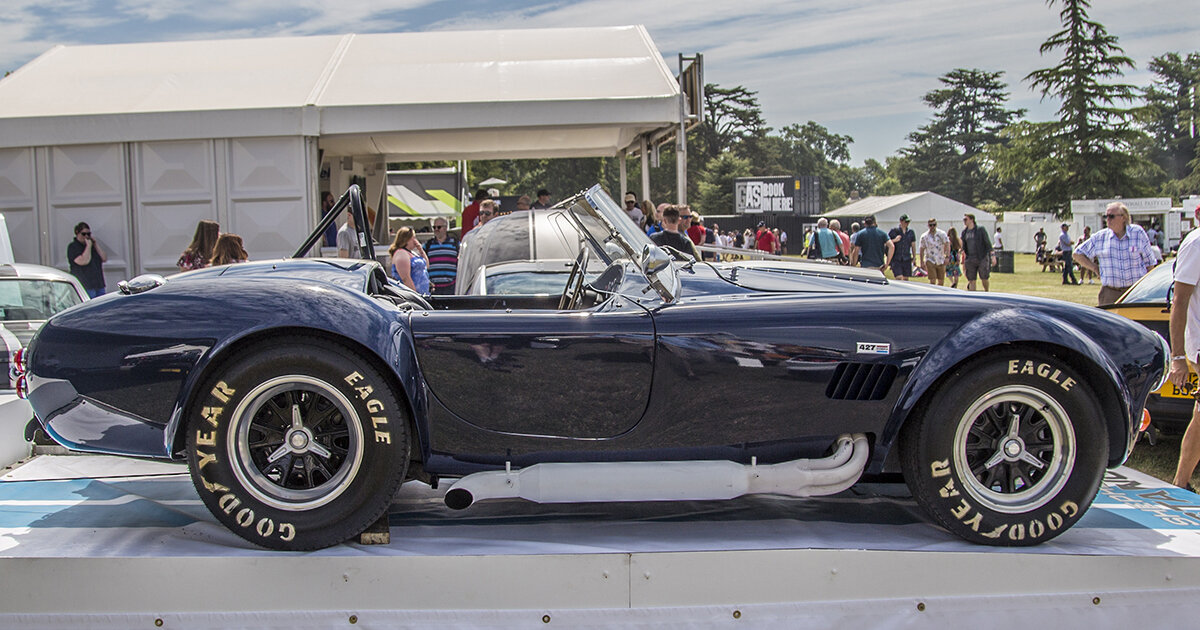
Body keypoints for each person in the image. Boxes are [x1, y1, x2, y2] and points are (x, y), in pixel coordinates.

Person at [1170, 200, 1200, 491]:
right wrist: (1178, 356)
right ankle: (1181, 483)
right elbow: (1179, 301)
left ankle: (1182, 482)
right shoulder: (1196, 243)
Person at [1073, 202, 1157, 306]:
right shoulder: (1100, 237)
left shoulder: (1138, 233)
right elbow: (1077, 254)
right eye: (1106, 216)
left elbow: (1150, 263)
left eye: (1111, 216)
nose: (1107, 219)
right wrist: (1095, 268)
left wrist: (1148, 288)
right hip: (1110, 293)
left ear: (1123, 217)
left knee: (1136, 322)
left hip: (1136, 293)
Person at [67, 222, 107, 298]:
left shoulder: (92, 246)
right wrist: (88, 247)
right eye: (83, 234)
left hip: (98, 284)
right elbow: (84, 261)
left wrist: (95, 245)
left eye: (88, 234)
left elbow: (104, 258)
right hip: (85, 285)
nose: (86, 236)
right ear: (77, 233)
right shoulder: (73, 247)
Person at [388, 226, 430, 294]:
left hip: (424, 293)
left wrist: (421, 250)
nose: (415, 240)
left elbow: (426, 266)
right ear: (406, 239)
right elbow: (405, 278)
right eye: (413, 238)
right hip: (410, 295)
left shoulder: (412, 253)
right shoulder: (401, 253)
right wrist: (416, 295)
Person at [424, 217, 459, 295]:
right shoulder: (428, 245)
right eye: (434, 227)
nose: (436, 229)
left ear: (445, 228)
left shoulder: (455, 244)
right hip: (433, 287)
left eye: (439, 227)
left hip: (451, 287)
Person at [960, 213, 992, 292]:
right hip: (970, 258)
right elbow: (963, 246)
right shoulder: (964, 232)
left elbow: (987, 243)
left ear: (972, 220)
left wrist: (992, 255)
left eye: (966, 219)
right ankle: (973, 297)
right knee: (971, 279)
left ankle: (986, 292)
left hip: (981, 257)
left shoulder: (980, 230)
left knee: (984, 277)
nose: (964, 221)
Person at [918, 218, 949, 285]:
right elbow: (922, 249)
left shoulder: (942, 234)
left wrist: (947, 256)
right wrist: (921, 262)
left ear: (936, 225)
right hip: (930, 259)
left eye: (934, 225)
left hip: (940, 259)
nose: (932, 227)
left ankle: (940, 294)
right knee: (932, 280)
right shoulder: (924, 236)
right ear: (928, 225)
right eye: (930, 225)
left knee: (941, 281)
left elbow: (947, 243)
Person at [888, 214, 917, 281]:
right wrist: (895, 240)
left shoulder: (910, 232)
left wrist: (914, 257)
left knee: (906, 278)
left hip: (906, 258)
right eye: (905, 222)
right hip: (896, 258)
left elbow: (913, 245)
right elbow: (887, 242)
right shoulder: (894, 231)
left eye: (908, 222)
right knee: (899, 277)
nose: (907, 223)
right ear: (901, 221)